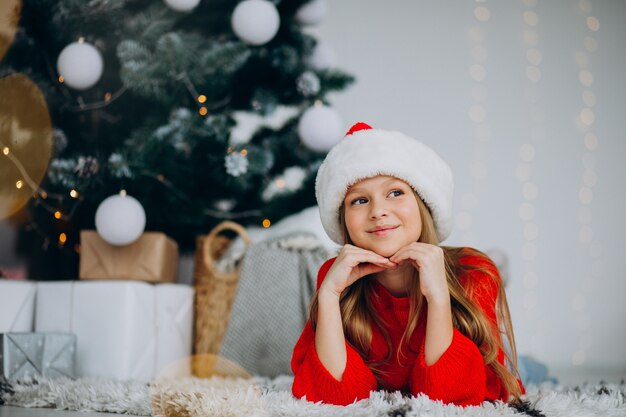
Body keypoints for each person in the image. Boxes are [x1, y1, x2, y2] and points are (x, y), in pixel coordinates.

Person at [291, 122, 524, 406]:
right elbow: (330, 398)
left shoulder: (473, 270)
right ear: (343, 221)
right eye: (360, 200)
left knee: (529, 368)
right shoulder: (335, 275)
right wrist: (328, 297)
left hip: (491, 347)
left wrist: (438, 298)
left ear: (423, 203)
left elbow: (454, 402)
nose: (378, 211)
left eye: (395, 193)